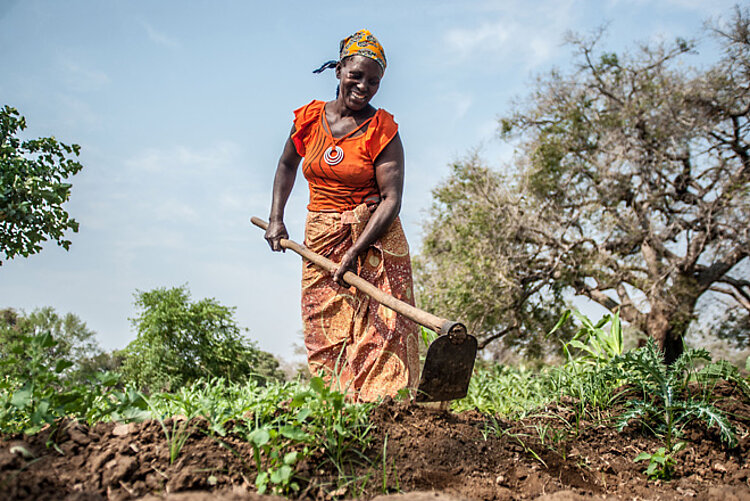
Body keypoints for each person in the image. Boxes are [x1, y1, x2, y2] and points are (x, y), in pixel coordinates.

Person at [264, 29, 419, 402]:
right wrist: (276, 218)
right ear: (338, 71)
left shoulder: (383, 130)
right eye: (356, 75)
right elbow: (286, 165)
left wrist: (355, 250)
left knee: (384, 326)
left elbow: (391, 200)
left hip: (375, 236)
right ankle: (339, 408)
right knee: (326, 326)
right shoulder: (308, 119)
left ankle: (384, 411)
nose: (363, 86)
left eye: (374, 81)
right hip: (321, 234)